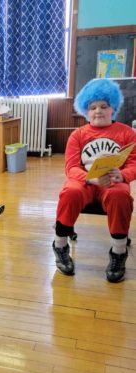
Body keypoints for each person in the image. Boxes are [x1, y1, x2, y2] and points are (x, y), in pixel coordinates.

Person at [52, 78, 136, 283]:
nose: (98, 111)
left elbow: (134, 163)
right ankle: (60, 245)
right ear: (86, 111)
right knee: (70, 191)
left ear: (112, 108)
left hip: (114, 181)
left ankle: (118, 252)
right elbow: (71, 168)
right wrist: (91, 179)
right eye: (93, 107)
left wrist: (123, 175)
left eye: (103, 106)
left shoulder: (127, 133)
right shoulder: (78, 135)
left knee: (120, 194)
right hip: (85, 182)